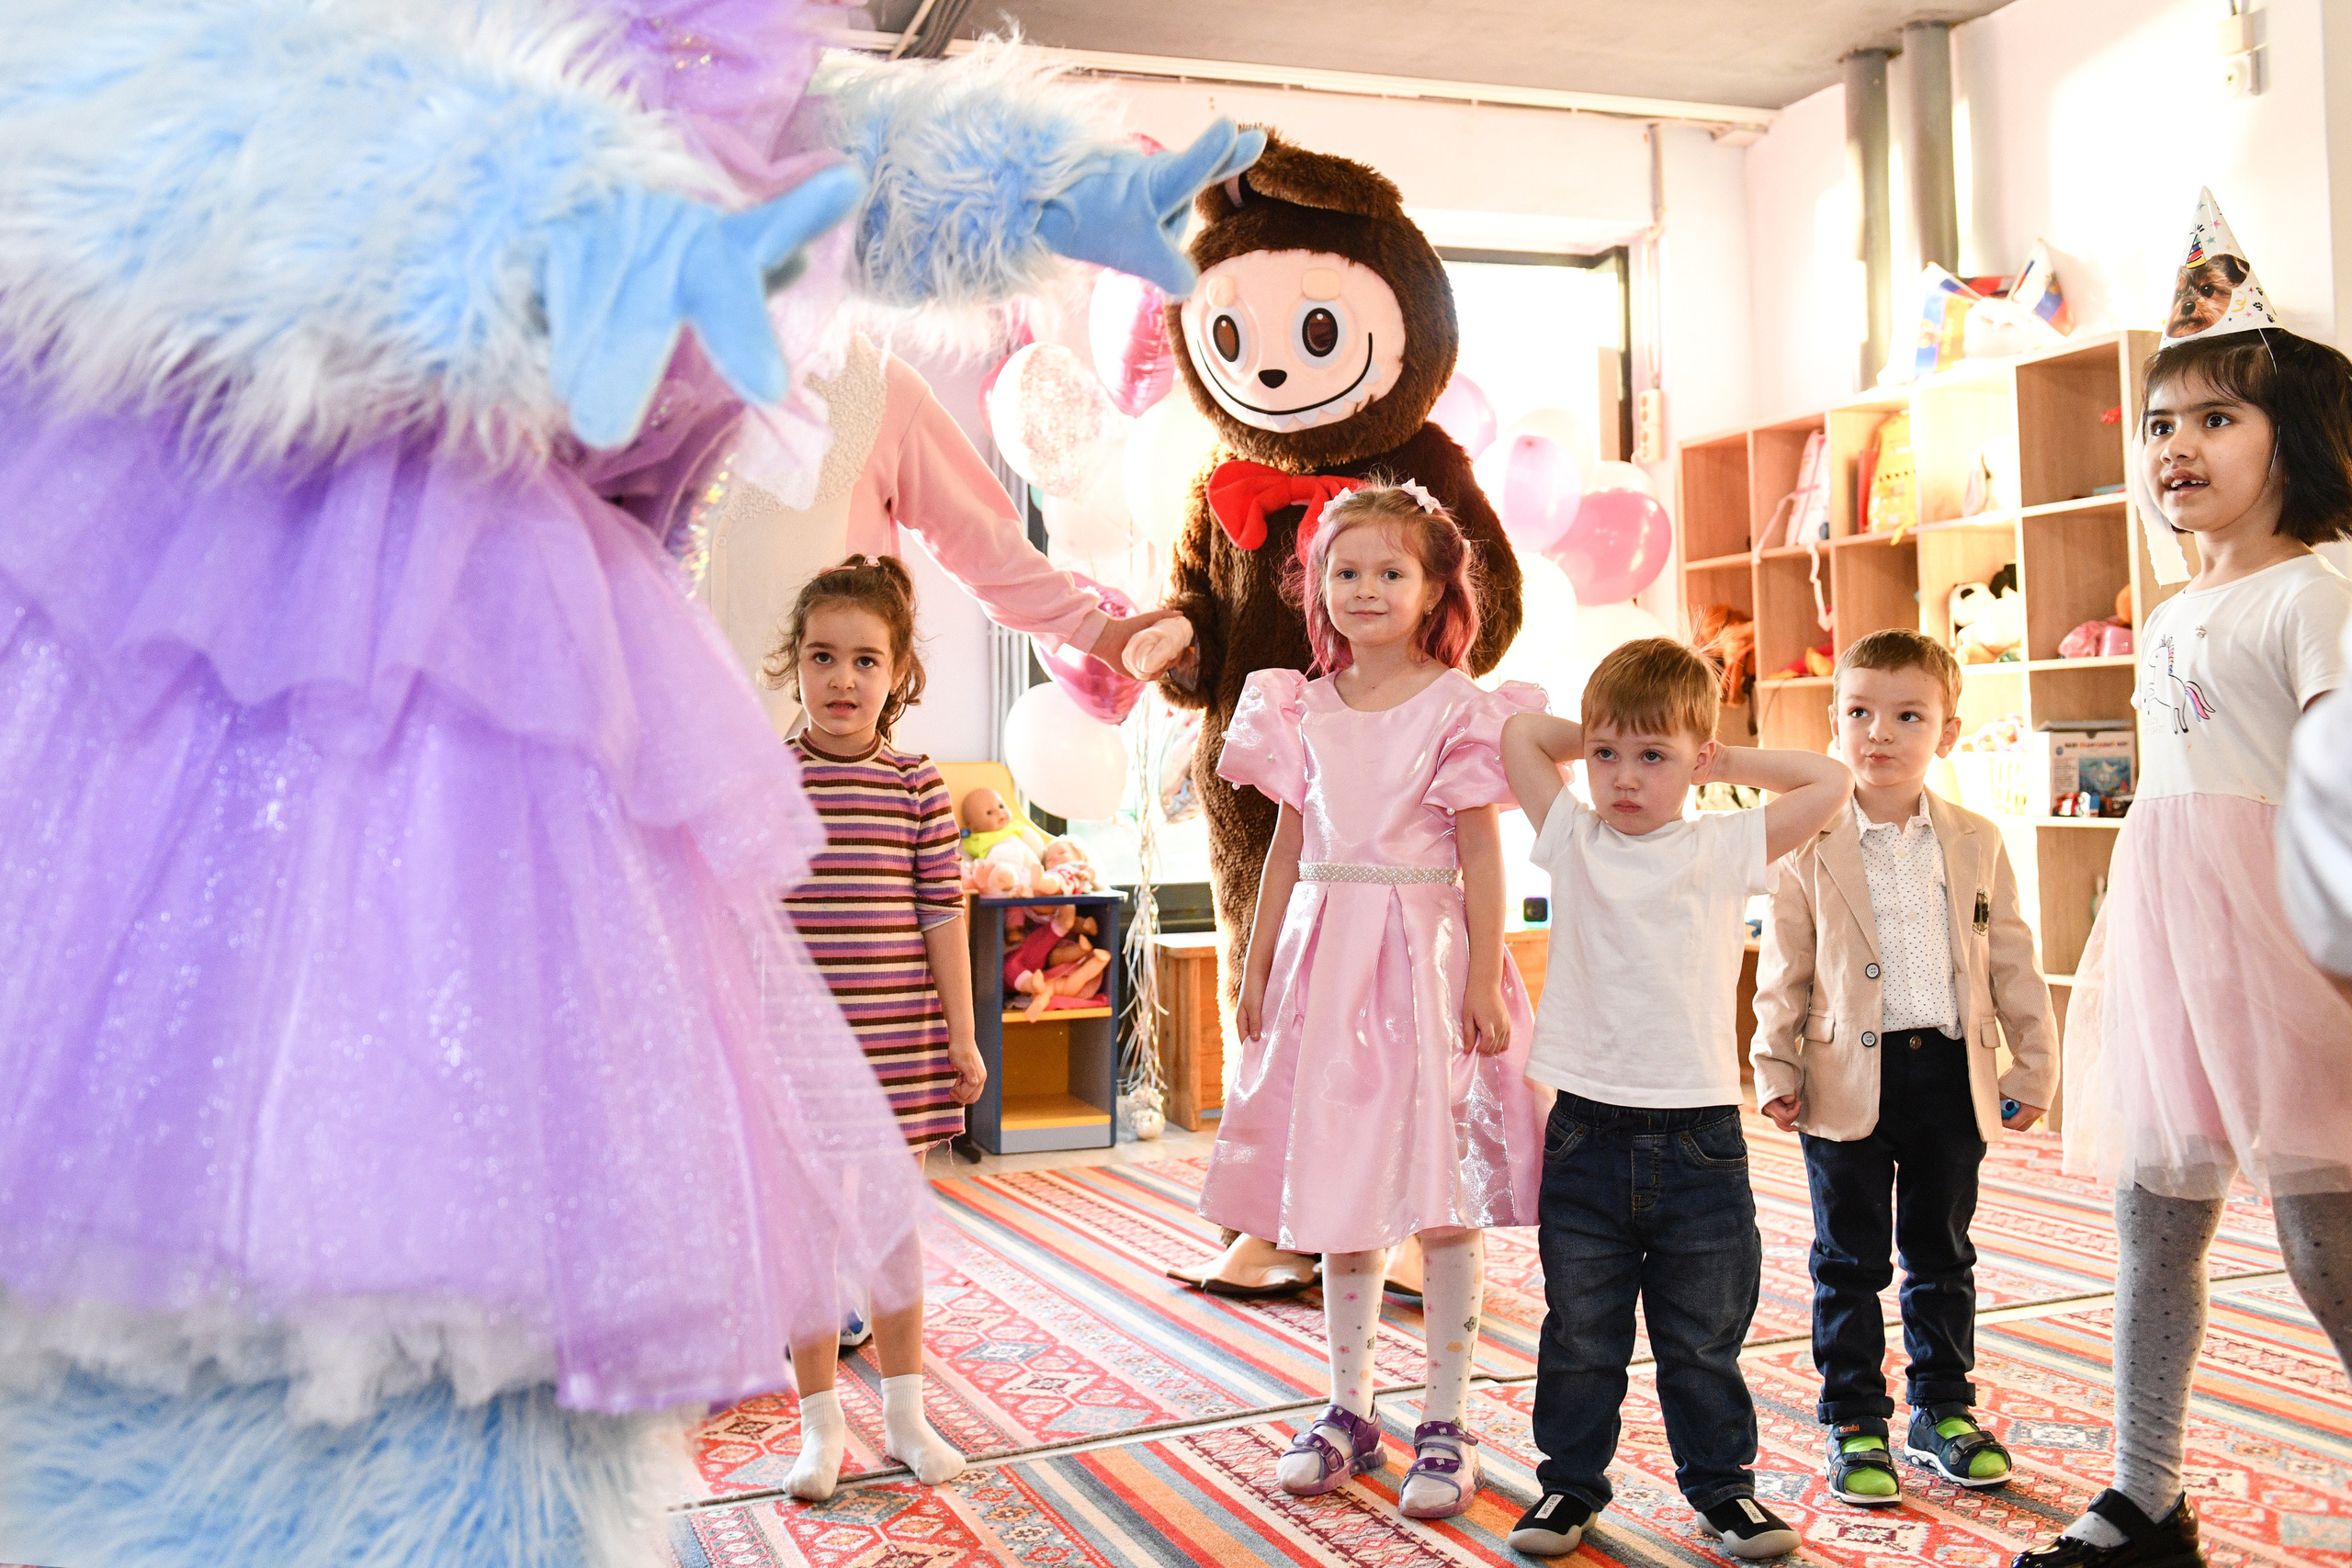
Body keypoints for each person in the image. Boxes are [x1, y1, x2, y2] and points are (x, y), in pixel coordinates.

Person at [2022, 327, 2352, 1568]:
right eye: (2161, 423)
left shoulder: (2316, 591)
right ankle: (2144, 1493)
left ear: (2299, 438)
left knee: (2329, 1242)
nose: (2177, 445)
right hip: (2172, 947)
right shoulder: (2168, 613)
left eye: (2217, 418)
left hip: (2290, 951)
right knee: (2153, 1217)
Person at [1201, 480, 1545, 1521]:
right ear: (1315, 586)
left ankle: (1447, 1415)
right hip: (1326, 958)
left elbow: (1483, 856)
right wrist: (1255, 968)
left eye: (1388, 572)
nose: (1363, 589)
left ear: (1435, 584)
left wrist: (1484, 975)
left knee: (1442, 1199)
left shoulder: (1462, 708)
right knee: (1339, 1192)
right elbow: (1288, 850)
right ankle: (1347, 1405)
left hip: (1429, 962)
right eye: (1342, 572)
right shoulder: (1298, 705)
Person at [1499, 637, 1853, 1561]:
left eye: (1651, 759)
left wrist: (1717, 756)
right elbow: (1520, 738)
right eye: (1609, 757)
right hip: (1586, 1132)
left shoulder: (1720, 845)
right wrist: (1609, 728)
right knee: (1581, 1334)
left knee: (1701, 1339)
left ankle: (1723, 1493)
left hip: (1699, 1141)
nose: (1622, 778)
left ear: (1695, 765)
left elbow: (1825, 781)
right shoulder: (1571, 838)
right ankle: (1567, 1489)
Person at [1750, 629, 2056, 1508]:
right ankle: (1853, 1418)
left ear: (1948, 732)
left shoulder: (1975, 838)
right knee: (1847, 1257)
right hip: (1846, 1079)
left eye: (1908, 715)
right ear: (1835, 722)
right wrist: (1773, 1061)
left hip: (1951, 1074)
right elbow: (1787, 966)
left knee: (1942, 1251)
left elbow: (2012, 957)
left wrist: (2034, 1063)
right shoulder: (1809, 845)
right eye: (1859, 712)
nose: (1880, 732)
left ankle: (1942, 1407)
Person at [760, 557, 989, 1502]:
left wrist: (963, 1038)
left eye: (864, 660)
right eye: (822, 657)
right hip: (794, 1058)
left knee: (893, 1238)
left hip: (897, 1049)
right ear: (796, 666)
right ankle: (818, 1435)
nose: (842, 679)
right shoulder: (768, 779)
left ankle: (903, 1419)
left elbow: (943, 914)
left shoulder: (917, 788)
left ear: (899, 676)